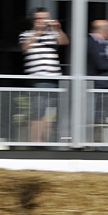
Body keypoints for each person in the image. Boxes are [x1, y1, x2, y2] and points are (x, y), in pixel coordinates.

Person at [19, 8, 68, 143]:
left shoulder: (52, 35)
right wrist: (38, 32)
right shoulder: (26, 34)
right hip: (38, 79)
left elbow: (64, 42)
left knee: (49, 114)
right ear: (34, 20)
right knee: (38, 113)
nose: (42, 21)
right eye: (39, 19)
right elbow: (25, 47)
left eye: (45, 18)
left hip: (54, 79)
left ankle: (45, 141)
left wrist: (58, 29)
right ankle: (35, 141)